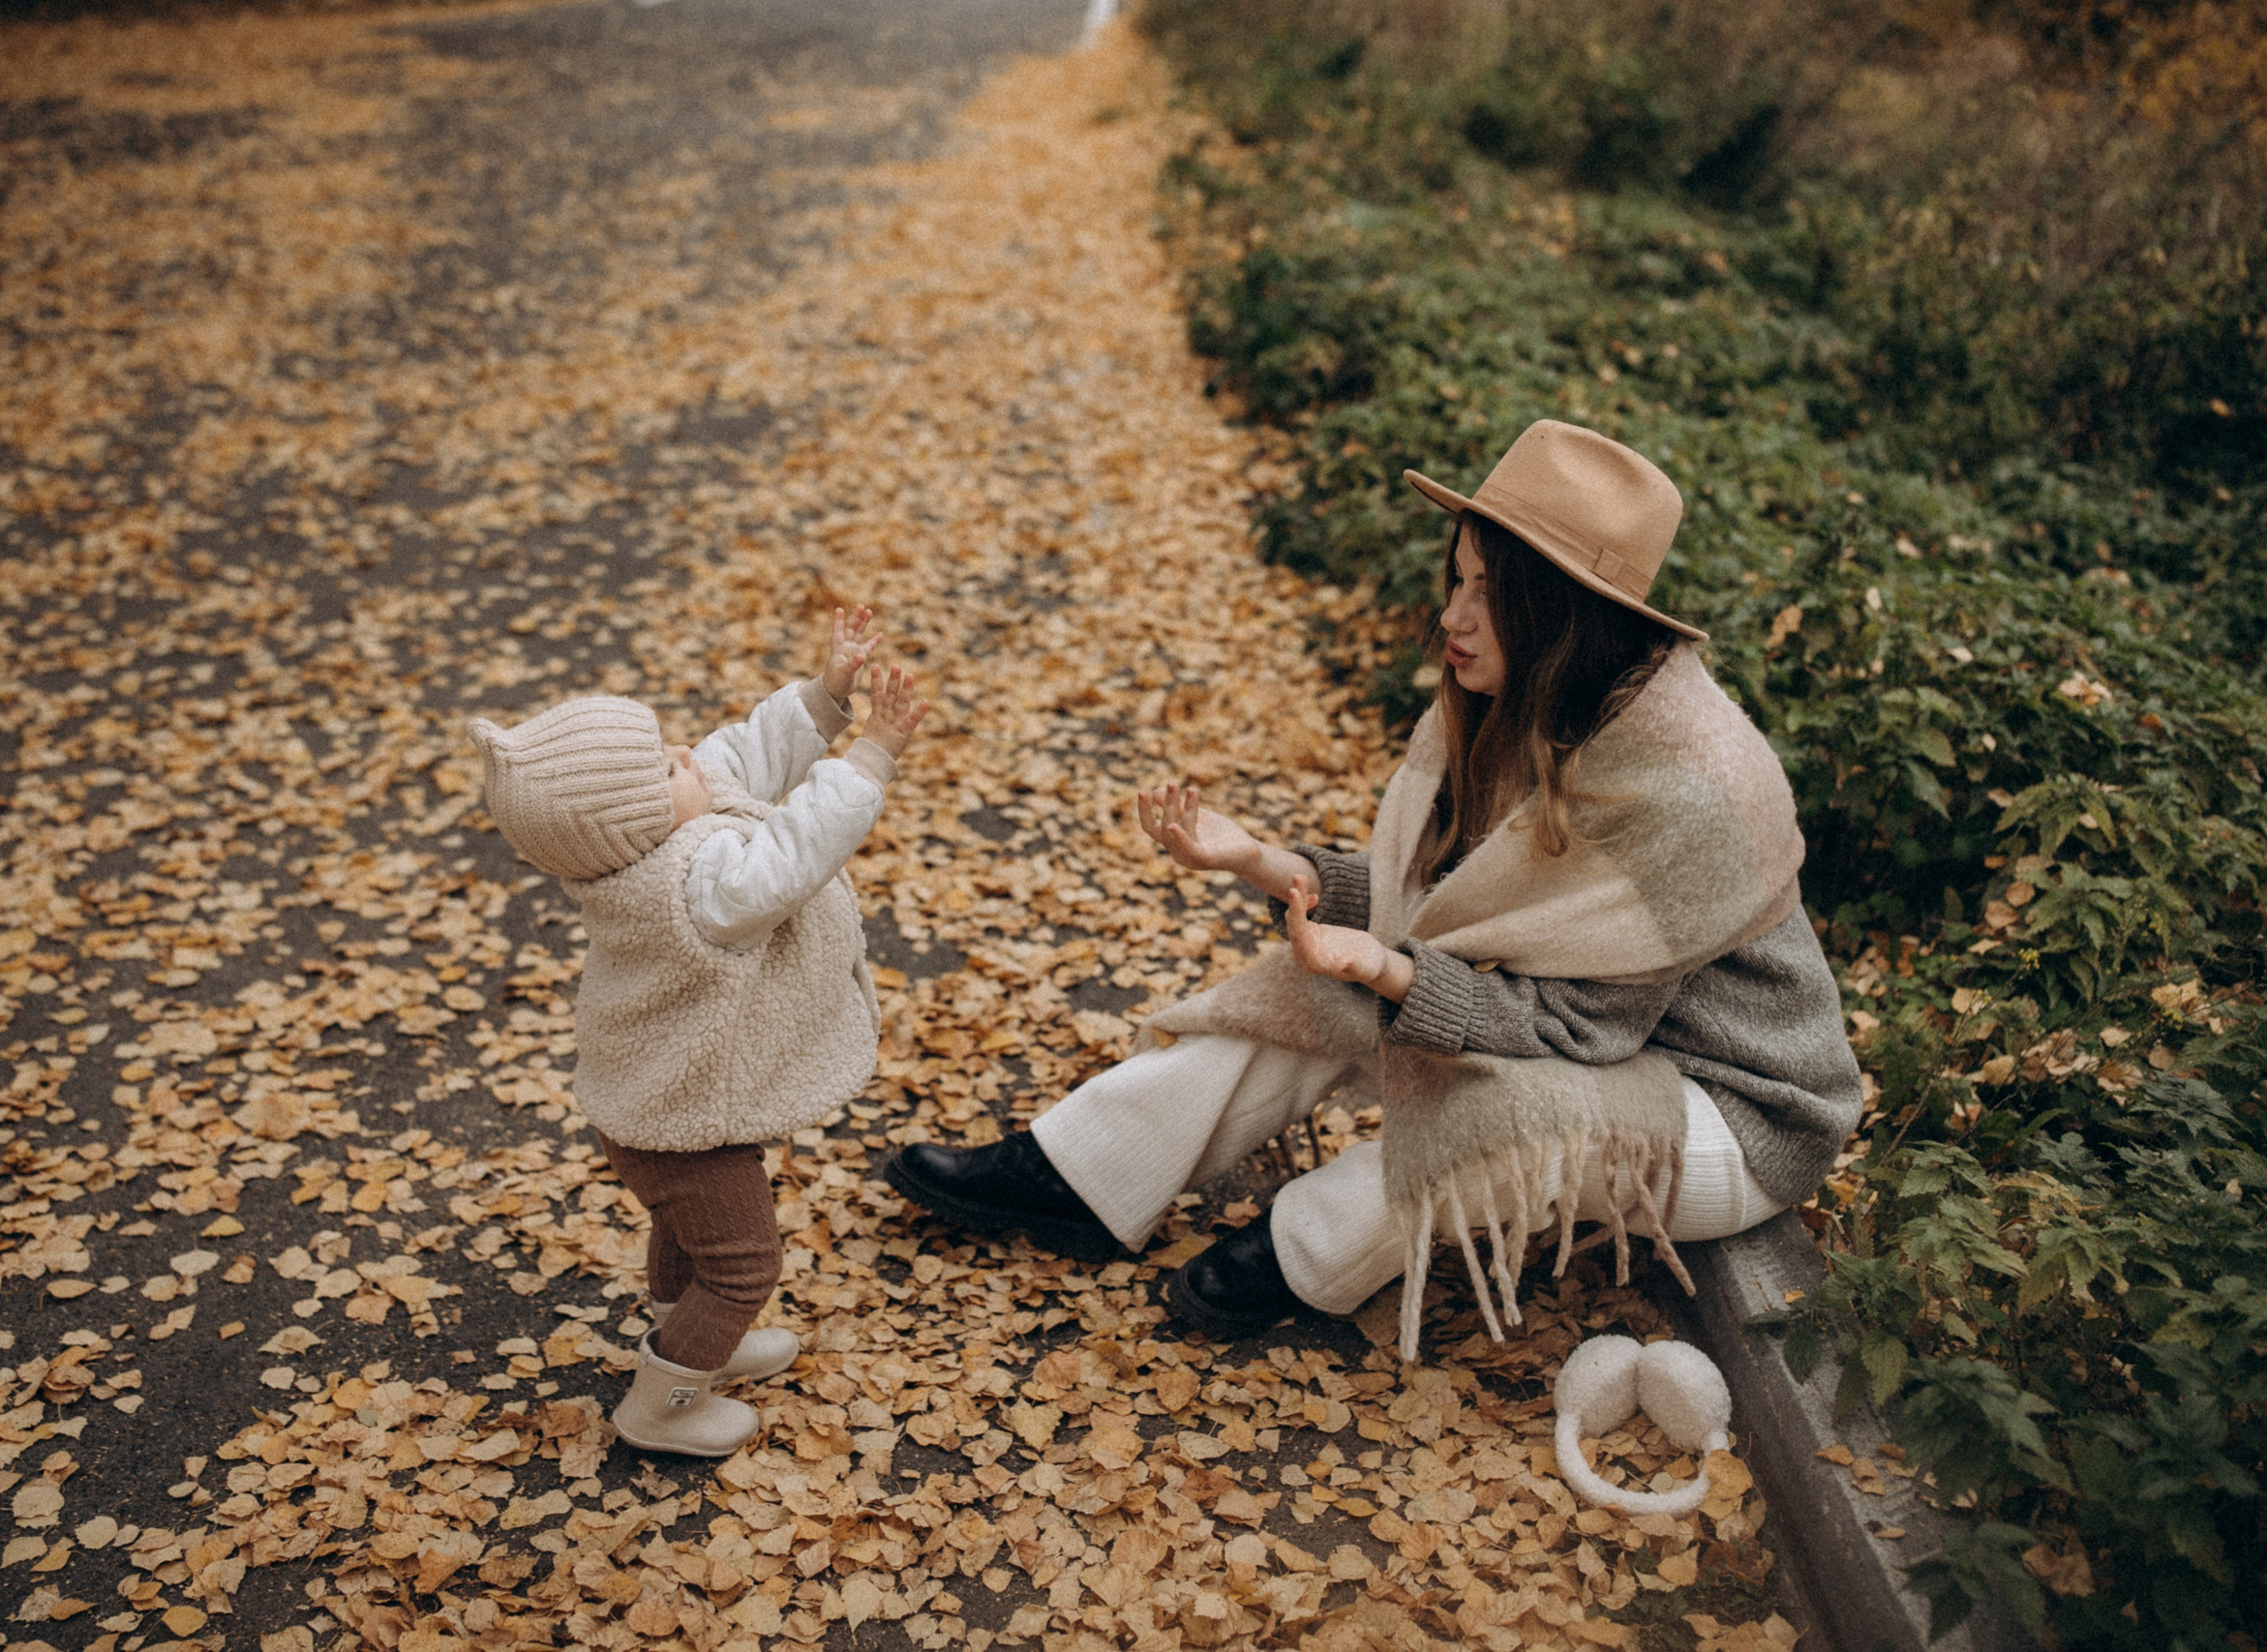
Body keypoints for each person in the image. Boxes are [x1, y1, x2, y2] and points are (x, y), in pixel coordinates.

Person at [885, 421, 1861, 1357]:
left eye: (1488, 592)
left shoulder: (1685, 789)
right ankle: (1079, 1173)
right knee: (1309, 982)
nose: (1452, 615)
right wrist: (1269, 865)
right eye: (1459, 578)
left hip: (1727, 1112)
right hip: (1592, 1041)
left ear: (1561, 613)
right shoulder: (1531, 707)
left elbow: (1572, 1032)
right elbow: (1431, 906)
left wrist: (1396, 975)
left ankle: (1304, 1254)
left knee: (1503, 1112)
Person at [469, 606, 929, 1452]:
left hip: (656, 1108)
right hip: (682, 1123)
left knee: (687, 1234)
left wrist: (824, 697)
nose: (685, 755)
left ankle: (689, 1330)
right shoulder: (698, 891)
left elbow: (737, 754)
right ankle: (663, 1404)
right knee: (745, 1262)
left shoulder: (651, 832)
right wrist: (871, 755)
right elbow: (792, 854)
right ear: (636, 818)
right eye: (662, 763)